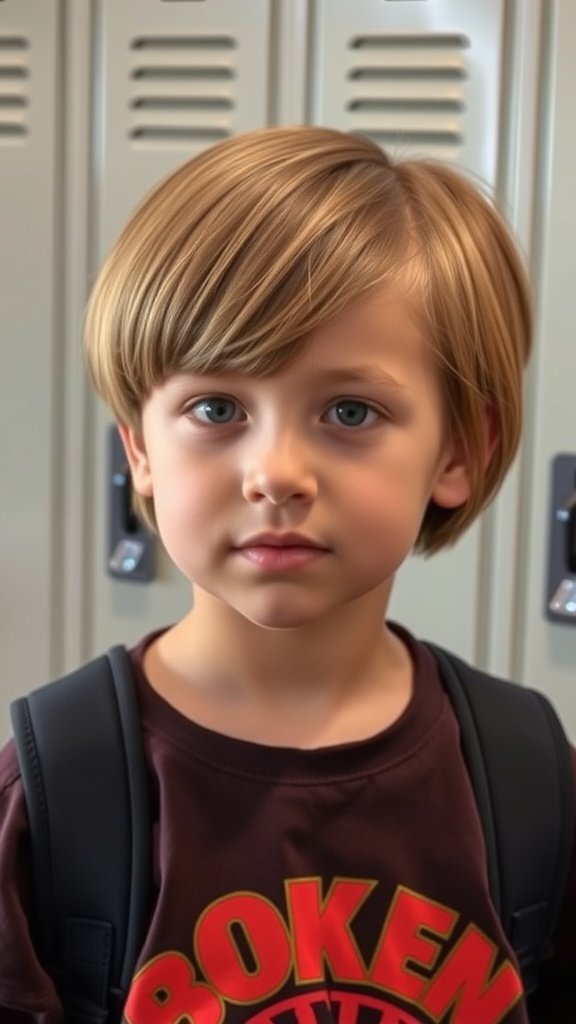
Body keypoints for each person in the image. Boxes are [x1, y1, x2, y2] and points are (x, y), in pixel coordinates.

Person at [0, 124, 574, 1023]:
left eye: (350, 410)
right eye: (217, 406)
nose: (277, 472)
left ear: (459, 451)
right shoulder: (54, 792)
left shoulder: (530, 778)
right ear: (141, 451)